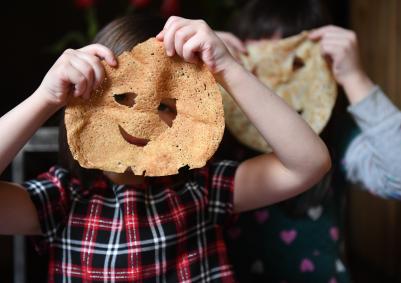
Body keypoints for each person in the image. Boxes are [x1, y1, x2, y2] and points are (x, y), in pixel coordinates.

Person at [0, 14, 331, 282]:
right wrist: (45, 99)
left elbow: (308, 164)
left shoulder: (201, 188)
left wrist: (229, 71)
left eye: (166, 105)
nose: (143, 119)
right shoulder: (63, 198)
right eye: (120, 98)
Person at [215, 0, 401, 282]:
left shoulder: (335, 136)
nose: (275, 81)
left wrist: (354, 77)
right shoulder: (214, 135)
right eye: (254, 67)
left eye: (297, 63)